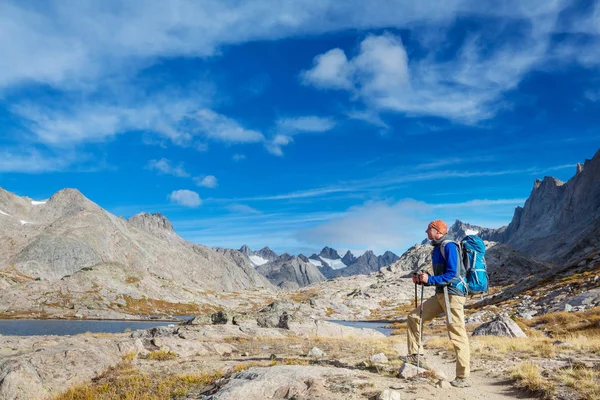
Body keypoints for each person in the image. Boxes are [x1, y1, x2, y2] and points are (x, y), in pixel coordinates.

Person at [405, 219, 471, 388]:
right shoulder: (437, 248)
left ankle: (463, 377)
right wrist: (423, 280)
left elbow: (452, 274)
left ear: (438, 231)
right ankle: (416, 355)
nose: (426, 232)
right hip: (441, 294)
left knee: (457, 333)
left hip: (453, 296)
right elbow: (440, 277)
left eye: (429, 229)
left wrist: (431, 279)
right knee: (414, 317)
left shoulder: (449, 246)